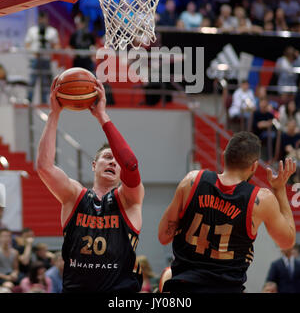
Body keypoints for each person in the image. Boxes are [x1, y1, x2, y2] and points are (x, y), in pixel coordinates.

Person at [36, 77, 144, 293]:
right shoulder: (74, 195)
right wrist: (54, 114)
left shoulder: (129, 199)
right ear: (94, 165)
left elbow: (130, 164)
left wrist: (102, 116)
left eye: (116, 159)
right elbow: (44, 167)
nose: (113, 161)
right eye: (106, 157)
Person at [158, 132, 296, 293]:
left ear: (224, 157)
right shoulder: (261, 199)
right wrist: (279, 189)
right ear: (254, 166)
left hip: (183, 288)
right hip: (227, 289)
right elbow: (287, 242)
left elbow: (163, 237)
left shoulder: (192, 181)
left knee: (167, 276)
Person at [25, 10, 60, 104]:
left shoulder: (52, 31)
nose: (42, 20)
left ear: (47, 19)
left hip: (46, 59)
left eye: (43, 18)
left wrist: (49, 47)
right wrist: (33, 52)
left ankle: (44, 102)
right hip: (35, 59)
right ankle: (28, 99)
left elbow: (56, 46)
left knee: (45, 82)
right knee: (32, 80)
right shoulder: (32, 30)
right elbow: (27, 44)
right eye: (40, 18)